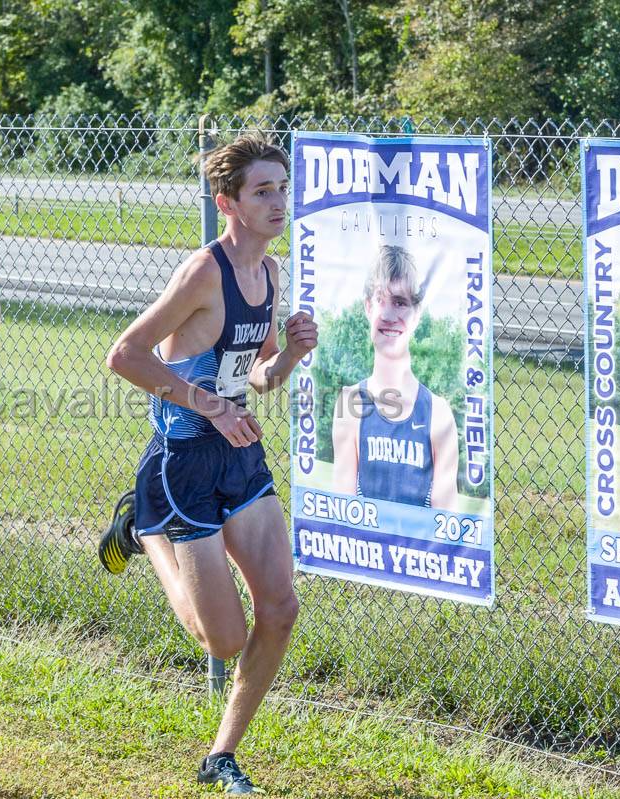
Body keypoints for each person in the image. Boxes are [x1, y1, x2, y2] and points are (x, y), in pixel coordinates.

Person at [97, 132, 316, 794]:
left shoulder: (270, 274)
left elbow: (258, 377)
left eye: (283, 187)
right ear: (228, 202)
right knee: (221, 639)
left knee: (279, 608)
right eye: (263, 191)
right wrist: (205, 405)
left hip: (239, 452)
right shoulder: (202, 273)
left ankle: (221, 754)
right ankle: (142, 529)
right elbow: (126, 355)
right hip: (183, 459)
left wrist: (292, 357)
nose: (279, 201)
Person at [331, 245, 458, 509]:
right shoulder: (350, 404)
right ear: (368, 307)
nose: (388, 315)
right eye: (380, 300)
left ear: (417, 313)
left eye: (400, 303)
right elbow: (341, 519)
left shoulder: (438, 412)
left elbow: (446, 529)